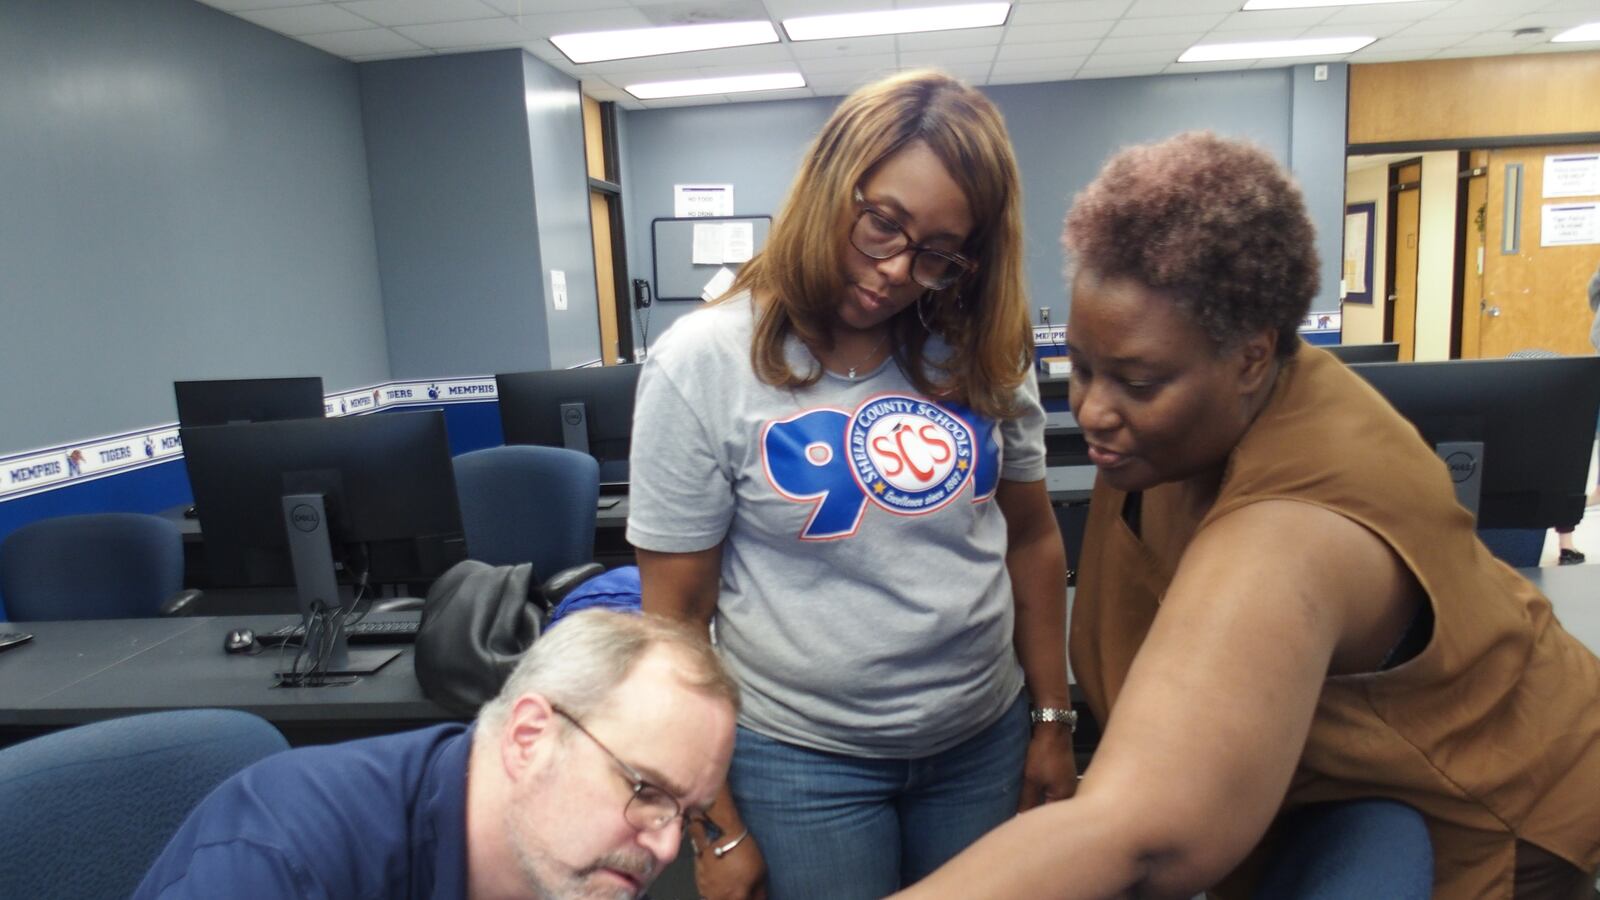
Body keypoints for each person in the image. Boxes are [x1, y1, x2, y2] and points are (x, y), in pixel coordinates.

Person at [891, 131, 1600, 899]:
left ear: (1252, 357)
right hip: (1325, 798)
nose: (1094, 409)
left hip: (1493, 812)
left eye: (1135, 381)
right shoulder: (1183, 421)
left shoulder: (1297, 526)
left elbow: (1146, 834)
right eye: (1083, 369)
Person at [626, 69, 1074, 900]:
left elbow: (1035, 537)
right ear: (833, 182)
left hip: (982, 741)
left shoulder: (976, 348)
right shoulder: (702, 363)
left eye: (938, 253)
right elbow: (675, 621)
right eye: (882, 225)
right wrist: (714, 826)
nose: (897, 269)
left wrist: (1052, 718)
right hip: (801, 763)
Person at [132, 610, 739, 899]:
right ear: (530, 737)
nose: (666, 848)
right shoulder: (277, 863)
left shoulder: (565, 867)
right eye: (647, 792)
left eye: (688, 815)